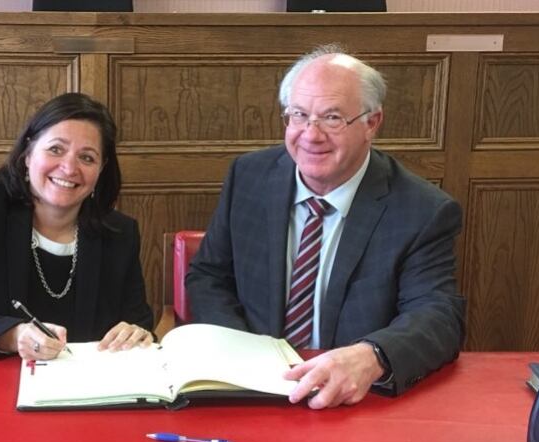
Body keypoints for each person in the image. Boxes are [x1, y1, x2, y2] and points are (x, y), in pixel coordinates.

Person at [186, 44, 464, 409]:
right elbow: (208, 275)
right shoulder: (248, 177)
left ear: (372, 123)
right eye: (299, 115)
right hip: (253, 393)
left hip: (354, 399)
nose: (311, 135)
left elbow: (438, 315)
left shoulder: (421, 210)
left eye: (332, 118)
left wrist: (372, 355)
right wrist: (244, 353)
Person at [0, 93, 154, 360]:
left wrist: (136, 334)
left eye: (87, 158)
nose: (69, 167)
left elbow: (139, 324)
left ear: (101, 170)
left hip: (76, 392)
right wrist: (13, 336)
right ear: (28, 154)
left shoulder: (119, 233)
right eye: (56, 149)